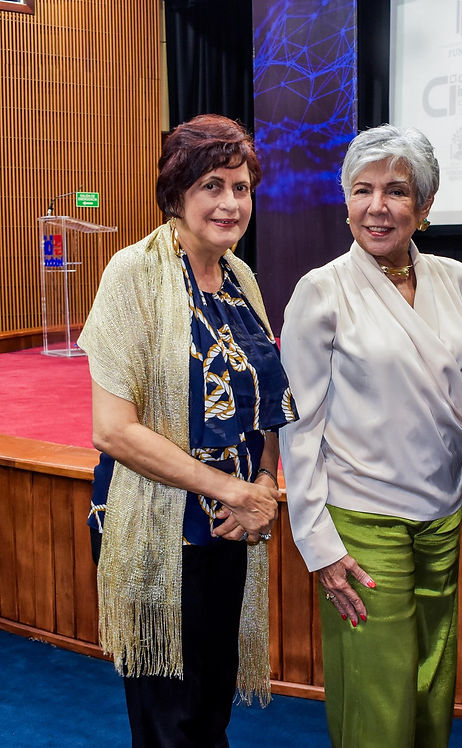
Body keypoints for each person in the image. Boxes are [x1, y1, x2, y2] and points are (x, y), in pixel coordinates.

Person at [78, 114, 297, 745]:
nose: (231, 203)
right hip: (157, 530)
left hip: (230, 527)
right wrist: (232, 490)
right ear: (176, 194)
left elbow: (266, 398)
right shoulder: (133, 274)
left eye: (241, 187)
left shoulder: (240, 278)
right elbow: (113, 431)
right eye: (212, 186)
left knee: (210, 714)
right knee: (169, 726)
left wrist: (262, 482)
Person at [279, 124, 462, 748]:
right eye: (362, 190)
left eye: (396, 191)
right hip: (363, 524)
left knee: (430, 689)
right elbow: (299, 426)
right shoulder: (321, 290)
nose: (378, 206)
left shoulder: (454, 277)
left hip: (442, 514)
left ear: (424, 206)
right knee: (377, 699)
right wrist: (318, 543)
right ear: (345, 201)